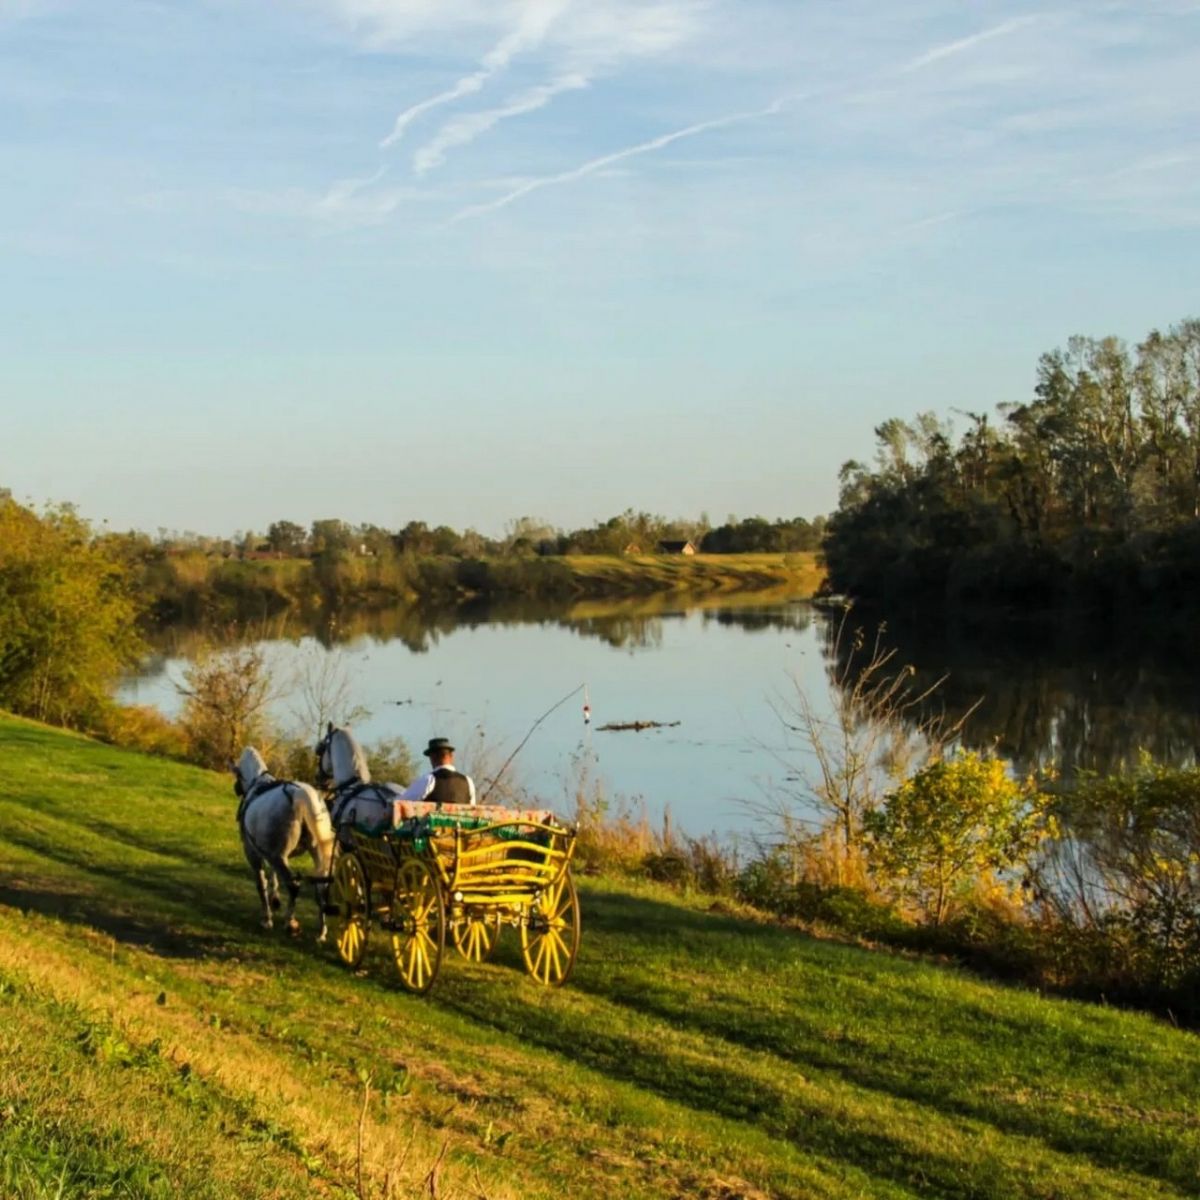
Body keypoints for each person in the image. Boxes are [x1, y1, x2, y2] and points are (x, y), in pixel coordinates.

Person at [398, 737, 477, 807]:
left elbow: (400, 803)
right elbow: (472, 807)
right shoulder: (468, 781)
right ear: (451, 756)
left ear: (432, 758)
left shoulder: (428, 780)